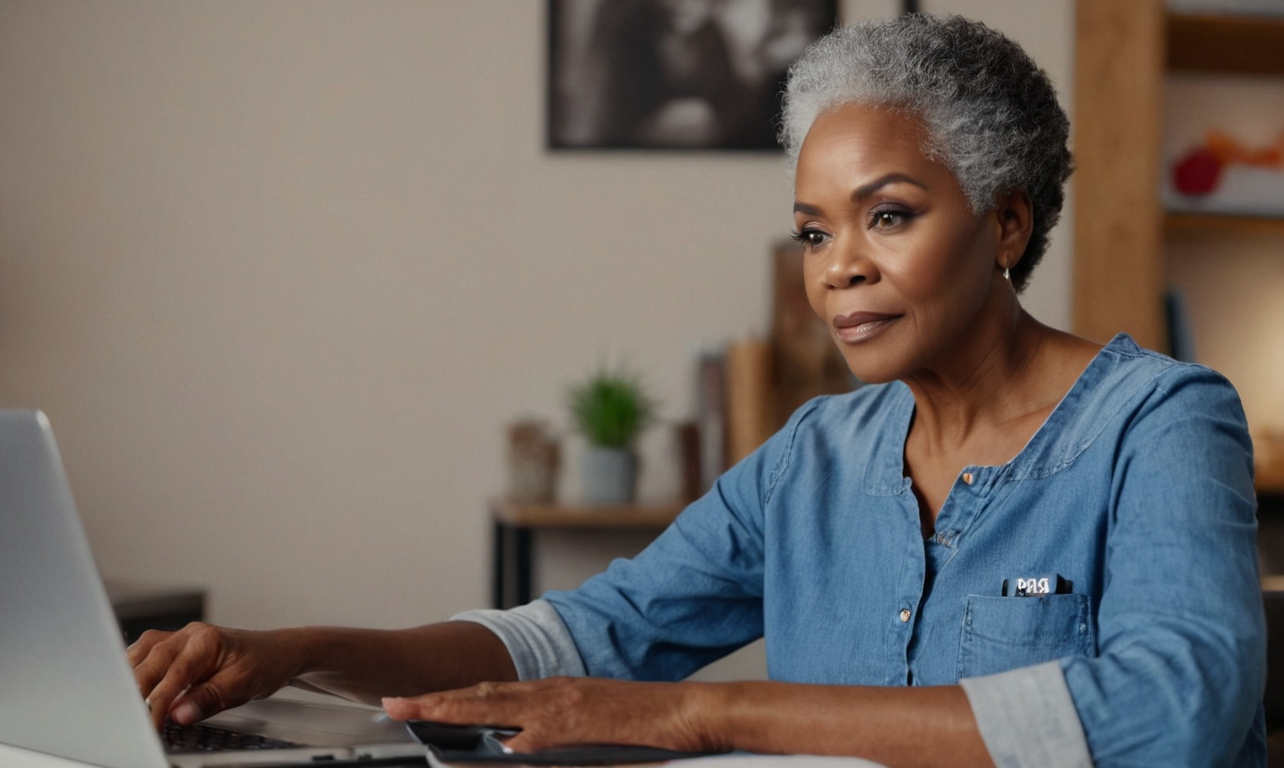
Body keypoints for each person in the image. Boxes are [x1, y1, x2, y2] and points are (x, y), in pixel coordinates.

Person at [129, 14, 1266, 767]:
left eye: (889, 215)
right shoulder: (816, 454)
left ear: (1007, 219)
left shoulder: (1160, 421)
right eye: (814, 230)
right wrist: (294, 650)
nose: (838, 267)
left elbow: (1177, 708)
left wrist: (702, 710)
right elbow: (580, 637)